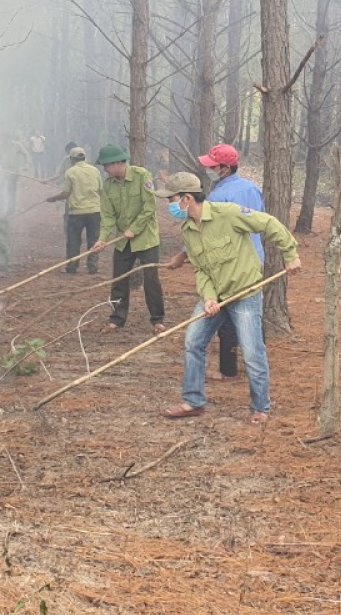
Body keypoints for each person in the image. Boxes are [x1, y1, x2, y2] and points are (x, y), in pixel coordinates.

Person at [156, 172, 301, 424]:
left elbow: (268, 223)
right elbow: (201, 269)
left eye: (171, 199)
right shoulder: (188, 229)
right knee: (193, 341)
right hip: (216, 296)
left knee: (252, 351)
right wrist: (209, 297)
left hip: (244, 293)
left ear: (187, 198)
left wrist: (290, 253)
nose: (169, 204)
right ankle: (193, 401)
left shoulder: (228, 213)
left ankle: (260, 408)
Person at [167, 143, 263, 381]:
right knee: (249, 315)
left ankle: (228, 369)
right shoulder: (252, 187)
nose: (208, 169)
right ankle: (245, 364)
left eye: (212, 166)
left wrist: (182, 255)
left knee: (225, 312)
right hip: (254, 258)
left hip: (227, 260)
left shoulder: (218, 197)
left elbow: (205, 235)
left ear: (225, 168)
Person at [92, 144, 165, 333]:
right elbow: (108, 216)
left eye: (106, 166)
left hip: (146, 239)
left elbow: (149, 207)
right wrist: (102, 238)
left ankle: (157, 320)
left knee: (151, 279)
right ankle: (116, 319)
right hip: (123, 241)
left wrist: (134, 229)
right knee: (119, 280)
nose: (105, 170)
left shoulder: (142, 176)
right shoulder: (108, 185)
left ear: (117, 164)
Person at [47, 146, 102, 274]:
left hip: (76, 212)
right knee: (93, 240)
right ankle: (93, 268)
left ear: (72, 159)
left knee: (73, 241)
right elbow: (100, 190)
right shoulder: (95, 171)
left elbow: (65, 193)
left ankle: (72, 267)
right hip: (94, 211)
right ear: (84, 158)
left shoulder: (71, 172)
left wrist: (53, 198)